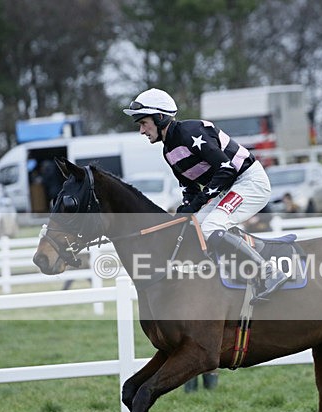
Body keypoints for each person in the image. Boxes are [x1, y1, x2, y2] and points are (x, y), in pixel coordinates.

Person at [123, 87, 290, 303]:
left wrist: (197, 203)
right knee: (193, 226)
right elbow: (190, 188)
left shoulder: (190, 132)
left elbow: (226, 170)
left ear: (160, 117)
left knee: (211, 227)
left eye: (144, 123)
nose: (141, 131)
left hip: (249, 182)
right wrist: (185, 211)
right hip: (230, 187)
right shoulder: (168, 151)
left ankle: (269, 272)